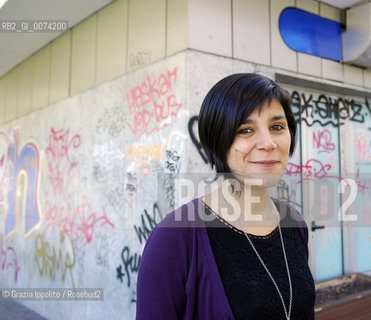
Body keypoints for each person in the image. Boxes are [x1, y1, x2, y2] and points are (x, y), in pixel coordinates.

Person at [136, 73, 315, 320]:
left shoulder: (294, 223)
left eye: (277, 127)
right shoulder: (175, 238)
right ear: (218, 141)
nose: (268, 143)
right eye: (245, 130)